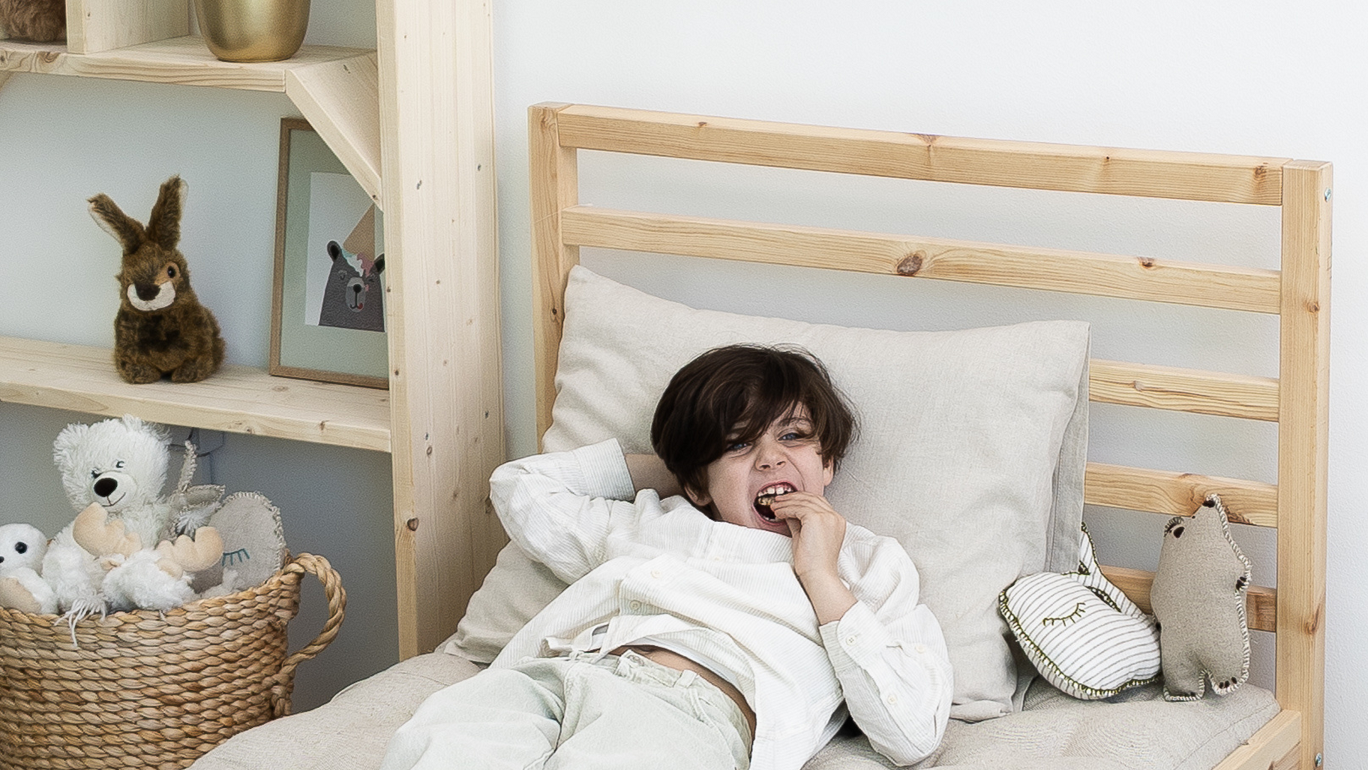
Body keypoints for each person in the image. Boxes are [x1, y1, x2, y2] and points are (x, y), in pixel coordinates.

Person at [381, 345, 952, 770]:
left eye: (793, 436)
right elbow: (520, 486)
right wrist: (679, 473)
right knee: (434, 745)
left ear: (828, 464)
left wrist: (820, 575)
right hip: (562, 674)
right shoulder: (655, 520)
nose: (769, 460)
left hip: (689, 710)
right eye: (737, 444)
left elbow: (912, 732)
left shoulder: (867, 565)